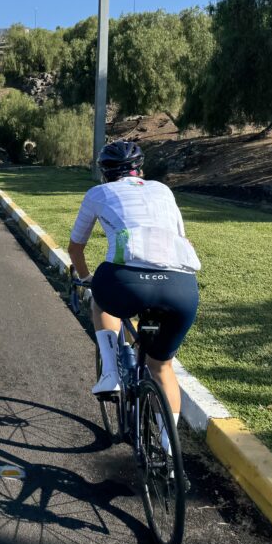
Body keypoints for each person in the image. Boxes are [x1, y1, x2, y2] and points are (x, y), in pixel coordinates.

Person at [67, 140, 201, 450]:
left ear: (105, 172)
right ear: (140, 170)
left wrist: (87, 278)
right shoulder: (163, 190)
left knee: (101, 291)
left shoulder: (97, 194)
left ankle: (111, 371)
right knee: (163, 366)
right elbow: (182, 238)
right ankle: (169, 452)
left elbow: (76, 247)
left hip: (126, 283)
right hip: (180, 288)